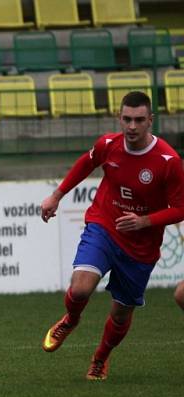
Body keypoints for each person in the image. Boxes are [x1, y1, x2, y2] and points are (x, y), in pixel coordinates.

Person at [39, 91, 184, 380]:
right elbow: (86, 163)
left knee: (120, 313)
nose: (132, 126)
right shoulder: (108, 145)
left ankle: (100, 358)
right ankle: (71, 319)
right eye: (127, 119)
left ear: (150, 121)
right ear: (119, 118)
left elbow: (180, 208)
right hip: (104, 225)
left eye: (139, 120)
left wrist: (145, 220)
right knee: (80, 288)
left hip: (141, 247)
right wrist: (57, 195)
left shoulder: (168, 160)